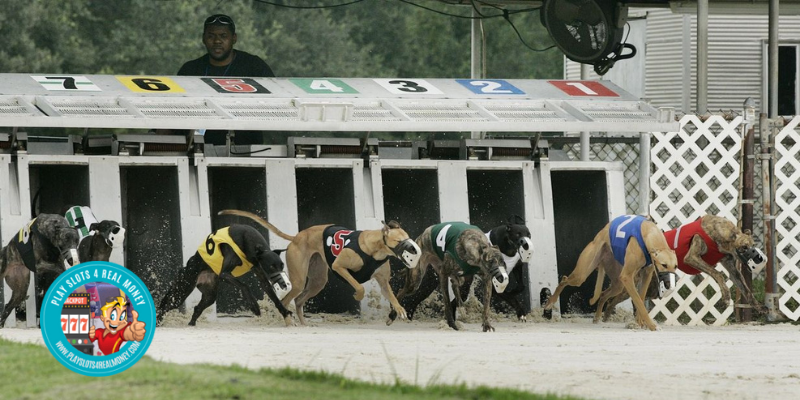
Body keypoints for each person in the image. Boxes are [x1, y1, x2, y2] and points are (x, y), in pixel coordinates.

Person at [177, 14, 274, 145]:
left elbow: (277, 103)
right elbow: (173, 110)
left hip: (247, 151)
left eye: (223, 36)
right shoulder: (190, 69)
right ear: (203, 39)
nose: (217, 41)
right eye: (211, 36)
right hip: (198, 151)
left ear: (234, 38)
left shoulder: (254, 66)